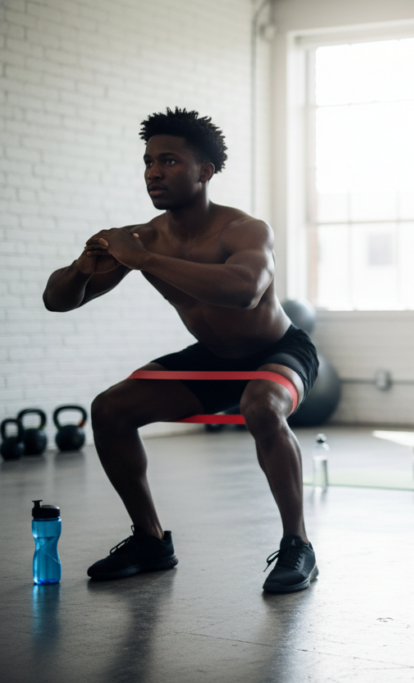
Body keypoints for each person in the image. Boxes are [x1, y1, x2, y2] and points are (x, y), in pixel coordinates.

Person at [42, 108, 319, 593]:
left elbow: (245, 290)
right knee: (110, 410)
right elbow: (57, 301)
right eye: (148, 161)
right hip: (212, 356)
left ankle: (298, 545)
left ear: (205, 171)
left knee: (261, 405)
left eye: (168, 161)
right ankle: (150, 540)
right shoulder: (141, 237)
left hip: (279, 349)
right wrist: (83, 268)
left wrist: (145, 260)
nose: (153, 172)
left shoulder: (244, 230)